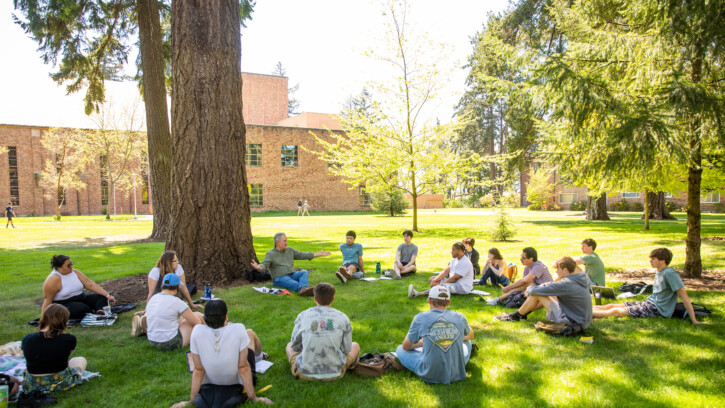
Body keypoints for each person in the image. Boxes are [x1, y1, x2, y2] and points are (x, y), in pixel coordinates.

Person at [171, 300, 272, 407]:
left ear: (205, 318)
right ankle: (259, 357)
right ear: (226, 317)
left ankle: (259, 358)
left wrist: (191, 401)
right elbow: (243, 367)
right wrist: (254, 398)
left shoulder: (197, 331)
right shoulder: (239, 329)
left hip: (208, 385)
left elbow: (198, 370)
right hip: (237, 384)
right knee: (250, 333)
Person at [592, 248, 709, 324]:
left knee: (615, 311)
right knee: (612, 305)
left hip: (657, 309)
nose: (650, 261)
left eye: (653, 259)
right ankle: (582, 309)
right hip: (649, 303)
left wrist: (694, 320)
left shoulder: (670, 273)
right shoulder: (659, 271)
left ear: (663, 261)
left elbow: (684, 296)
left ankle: (580, 314)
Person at [396, 286, 474, 384]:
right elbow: (471, 335)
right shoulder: (459, 317)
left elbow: (406, 346)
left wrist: (420, 344)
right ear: (448, 302)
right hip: (456, 372)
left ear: (429, 300)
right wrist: (453, 336)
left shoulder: (420, 318)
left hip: (428, 373)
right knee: (468, 342)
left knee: (399, 349)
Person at [286, 283, 360, 381]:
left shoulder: (303, 315)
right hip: (335, 373)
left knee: (289, 346)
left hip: (304, 373)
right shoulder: (343, 317)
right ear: (333, 299)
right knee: (355, 346)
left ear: (315, 298)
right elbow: (346, 349)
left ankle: (302, 365)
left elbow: (295, 345)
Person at [495, 257, 593, 328]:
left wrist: (530, 289)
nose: (557, 272)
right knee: (537, 292)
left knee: (536, 292)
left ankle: (515, 316)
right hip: (582, 320)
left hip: (572, 321)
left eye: (558, 269)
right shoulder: (578, 278)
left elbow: (538, 290)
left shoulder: (567, 284)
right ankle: (519, 315)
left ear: (566, 270)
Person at [21, 304, 88, 395]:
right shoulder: (69, 339)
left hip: (33, 384)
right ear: (64, 321)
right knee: (80, 360)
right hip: (60, 382)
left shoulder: (27, 339)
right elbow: (67, 355)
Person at [250, 232, 330, 296]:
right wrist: (258, 267)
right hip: (279, 278)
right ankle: (311, 292)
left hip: (292, 274)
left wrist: (319, 254)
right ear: (277, 242)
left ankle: (304, 289)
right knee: (294, 283)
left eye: (286, 240)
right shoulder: (270, 254)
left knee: (304, 272)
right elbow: (264, 265)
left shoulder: (290, 250)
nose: (286, 243)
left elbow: (302, 255)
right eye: (284, 241)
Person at [41, 255, 117, 320]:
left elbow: (90, 284)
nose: (71, 267)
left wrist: (107, 295)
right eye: (68, 265)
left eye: (71, 264)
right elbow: (48, 299)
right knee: (82, 308)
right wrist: (44, 318)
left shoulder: (74, 272)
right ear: (59, 267)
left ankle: (100, 314)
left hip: (81, 298)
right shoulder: (53, 279)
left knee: (101, 297)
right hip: (65, 304)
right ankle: (92, 312)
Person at [142, 273, 204, 349]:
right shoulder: (176, 302)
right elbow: (196, 322)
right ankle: (213, 332)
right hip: (171, 342)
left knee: (181, 318)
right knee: (197, 315)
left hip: (152, 340)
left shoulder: (153, 298)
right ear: (177, 287)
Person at [487, 247, 553, 306]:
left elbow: (524, 281)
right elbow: (522, 282)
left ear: (531, 259)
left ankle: (499, 299)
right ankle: (499, 299)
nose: (520, 259)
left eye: (523, 258)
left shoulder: (538, 266)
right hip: (535, 289)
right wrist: (510, 288)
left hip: (547, 292)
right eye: (521, 257)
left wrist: (508, 287)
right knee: (526, 285)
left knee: (528, 283)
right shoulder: (527, 266)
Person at [408, 242, 474, 298]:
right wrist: (435, 280)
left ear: (459, 251)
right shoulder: (455, 259)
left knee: (441, 286)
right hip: (455, 283)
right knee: (432, 278)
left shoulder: (465, 262)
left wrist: (441, 284)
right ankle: (440, 290)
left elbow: (454, 278)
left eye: (453, 250)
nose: (451, 252)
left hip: (462, 287)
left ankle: (417, 294)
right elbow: (446, 271)